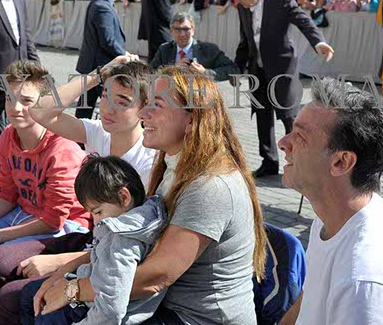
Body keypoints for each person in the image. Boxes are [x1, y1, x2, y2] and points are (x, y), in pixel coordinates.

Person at [35, 66, 267, 325]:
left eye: (157, 105)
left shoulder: (210, 186)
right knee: (33, 299)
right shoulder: (173, 165)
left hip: (195, 318)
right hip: (164, 305)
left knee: (49, 315)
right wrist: (67, 271)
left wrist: (73, 289)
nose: (143, 113)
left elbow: (156, 277)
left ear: (192, 120)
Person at [0, 57, 156, 325]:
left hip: (115, 255)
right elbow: (40, 111)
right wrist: (97, 74)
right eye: (105, 96)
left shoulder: (148, 162)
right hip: (92, 239)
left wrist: (61, 263)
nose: (108, 108)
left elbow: (130, 249)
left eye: (122, 101)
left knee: (14, 298)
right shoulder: (99, 133)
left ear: (144, 108)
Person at [279, 79, 383, 325]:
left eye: (300, 136)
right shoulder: (334, 217)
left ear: (341, 162)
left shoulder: (363, 279)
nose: (283, 143)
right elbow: (308, 299)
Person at [0, 61, 91, 325]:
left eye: (26, 101)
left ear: (44, 104)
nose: (15, 108)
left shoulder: (62, 150)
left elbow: (53, 221)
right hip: (24, 212)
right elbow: (7, 194)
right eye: (10, 99)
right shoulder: (8, 137)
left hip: (66, 226)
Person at [22, 155, 167, 325]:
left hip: (87, 311)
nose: (96, 221)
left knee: (42, 314)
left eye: (98, 212)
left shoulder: (121, 240)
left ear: (124, 197)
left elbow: (111, 307)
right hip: (87, 287)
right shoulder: (147, 214)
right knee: (29, 294)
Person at [232, 0, 334, 178]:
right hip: (257, 68)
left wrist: (318, 42)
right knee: (262, 113)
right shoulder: (243, 6)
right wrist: (237, 68)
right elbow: (245, 40)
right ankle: (269, 161)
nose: (237, 0)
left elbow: (303, 20)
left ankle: (299, 164)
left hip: (282, 67)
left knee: (289, 116)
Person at [75, 0, 128, 119]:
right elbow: (108, 41)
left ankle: (78, 133)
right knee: (113, 109)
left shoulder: (101, 3)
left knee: (85, 110)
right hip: (101, 67)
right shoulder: (102, 6)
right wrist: (126, 55)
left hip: (95, 66)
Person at [150, 12, 239, 81]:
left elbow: (233, 70)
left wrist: (205, 72)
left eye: (186, 29)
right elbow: (150, 74)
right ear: (171, 31)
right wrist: (172, 69)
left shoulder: (209, 50)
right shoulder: (164, 50)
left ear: (193, 30)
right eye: (177, 29)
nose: (182, 34)